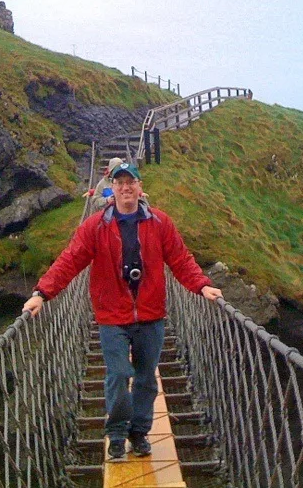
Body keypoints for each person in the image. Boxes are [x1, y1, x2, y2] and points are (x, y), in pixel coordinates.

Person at [23, 162, 222, 460]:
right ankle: (116, 434)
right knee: (118, 374)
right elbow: (70, 260)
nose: (126, 187)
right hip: (111, 316)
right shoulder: (95, 226)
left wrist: (202, 286)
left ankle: (139, 433)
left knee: (144, 378)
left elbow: (180, 259)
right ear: (111, 188)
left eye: (131, 182)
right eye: (120, 183)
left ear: (140, 188)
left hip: (151, 314)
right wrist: (42, 293)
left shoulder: (160, 222)